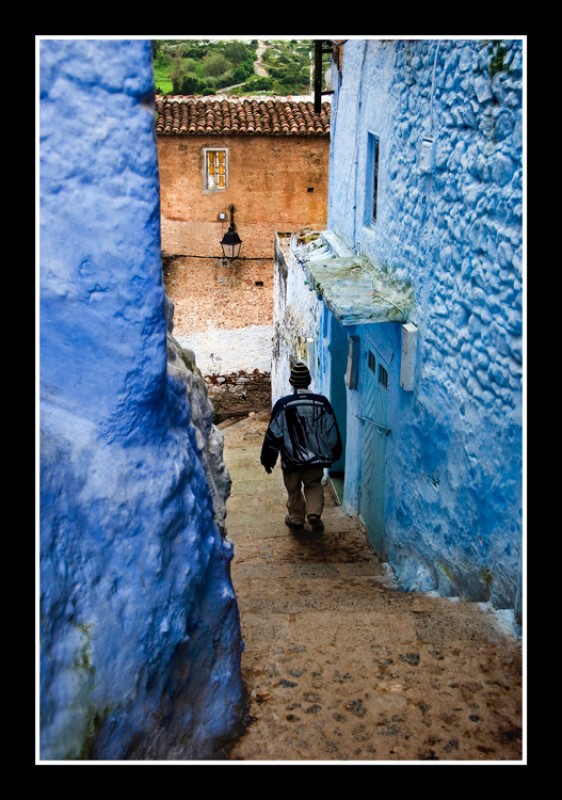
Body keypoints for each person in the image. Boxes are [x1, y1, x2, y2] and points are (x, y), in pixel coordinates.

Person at [260, 362, 342, 533]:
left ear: (292, 382)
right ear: (308, 381)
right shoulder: (322, 403)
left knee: (294, 489)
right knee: (313, 484)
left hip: (291, 460)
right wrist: (335, 451)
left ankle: (296, 519)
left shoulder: (283, 405)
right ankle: (313, 514)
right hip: (315, 458)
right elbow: (331, 430)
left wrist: (268, 459)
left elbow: (274, 434)